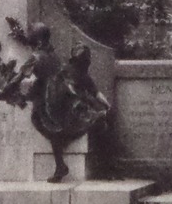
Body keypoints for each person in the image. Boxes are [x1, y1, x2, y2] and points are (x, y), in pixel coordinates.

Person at [17, 25, 111, 184]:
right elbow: (94, 94)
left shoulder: (70, 71)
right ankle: (66, 166)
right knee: (58, 129)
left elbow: (94, 93)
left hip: (68, 112)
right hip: (68, 112)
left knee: (55, 130)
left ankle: (63, 166)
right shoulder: (68, 71)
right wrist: (106, 106)